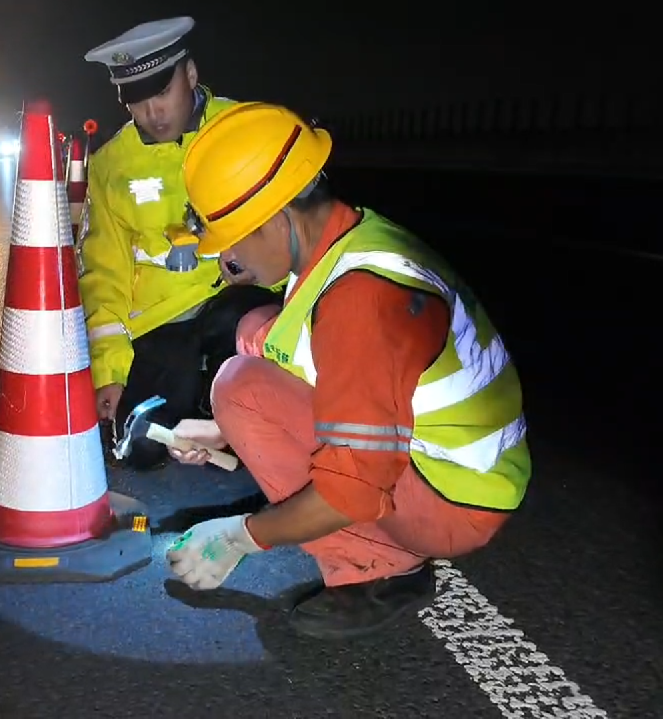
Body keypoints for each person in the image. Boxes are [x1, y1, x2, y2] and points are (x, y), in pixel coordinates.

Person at [163, 102, 532, 639]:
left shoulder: (361, 302)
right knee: (255, 333)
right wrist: (222, 432)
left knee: (240, 387)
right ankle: (382, 545)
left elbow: (351, 490)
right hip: (472, 464)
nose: (226, 263)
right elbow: (316, 355)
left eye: (232, 242)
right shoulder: (349, 239)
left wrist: (241, 536)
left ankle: (380, 571)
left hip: (457, 500)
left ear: (278, 219)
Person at [79, 17, 284, 471]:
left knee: (246, 336)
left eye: (162, 92)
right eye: (137, 101)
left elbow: (292, 224)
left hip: (235, 302)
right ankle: (205, 413)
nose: (153, 112)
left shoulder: (242, 126)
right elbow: (103, 275)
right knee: (141, 447)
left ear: (190, 75)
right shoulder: (112, 165)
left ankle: (237, 416)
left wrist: (259, 266)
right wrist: (108, 372)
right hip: (161, 322)